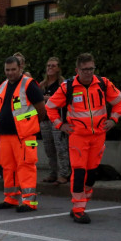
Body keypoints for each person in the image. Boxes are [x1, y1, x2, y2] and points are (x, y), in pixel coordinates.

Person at [46, 53, 121, 224]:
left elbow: (119, 101)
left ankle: (81, 203)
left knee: (91, 175)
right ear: (77, 70)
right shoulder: (68, 87)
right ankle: (78, 208)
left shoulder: (103, 84)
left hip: (98, 136)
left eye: (91, 69)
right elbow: (50, 107)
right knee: (79, 172)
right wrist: (61, 125)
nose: (89, 72)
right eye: (85, 69)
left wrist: (113, 119)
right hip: (78, 137)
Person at [0, 56, 46, 212]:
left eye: (13, 69)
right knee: (8, 168)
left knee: (25, 167)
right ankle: (11, 198)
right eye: (7, 70)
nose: (10, 73)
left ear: (20, 68)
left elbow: (41, 110)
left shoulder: (29, 84)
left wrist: (31, 126)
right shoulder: (2, 86)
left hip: (23, 136)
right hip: (5, 136)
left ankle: (29, 202)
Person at [39, 57, 70, 185]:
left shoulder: (62, 84)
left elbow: (66, 101)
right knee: (49, 148)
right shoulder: (42, 85)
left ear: (58, 68)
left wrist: (50, 99)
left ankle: (64, 174)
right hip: (45, 120)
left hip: (57, 120)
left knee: (61, 147)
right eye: (48, 66)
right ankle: (53, 173)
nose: (50, 68)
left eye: (53, 66)